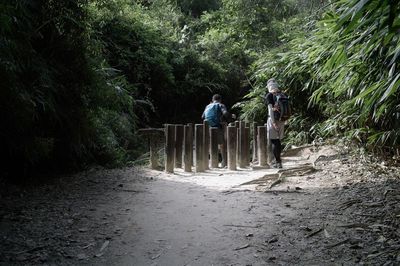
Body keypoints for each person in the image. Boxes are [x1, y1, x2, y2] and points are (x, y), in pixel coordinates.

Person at [202, 94, 235, 167]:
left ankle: (211, 162)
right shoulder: (220, 105)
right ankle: (224, 162)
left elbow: (203, 116)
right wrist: (231, 117)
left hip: (207, 126)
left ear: (213, 99)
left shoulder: (208, 106)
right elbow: (225, 113)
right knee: (222, 144)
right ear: (220, 100)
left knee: (211, 144)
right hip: (216, 126)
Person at [265, 79, 285, 168]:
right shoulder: (282, 94)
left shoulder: (269, 95)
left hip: (273, 120)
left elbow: (270, 109)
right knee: (278, 141)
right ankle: (278, 161)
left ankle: (277, 162)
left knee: (274, 141)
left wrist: (273, 122)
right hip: (282, 120)